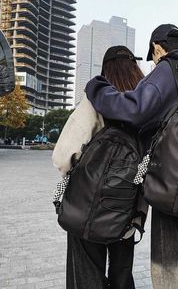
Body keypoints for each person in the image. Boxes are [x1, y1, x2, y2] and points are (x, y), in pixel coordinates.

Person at [85, 24, 178, 289]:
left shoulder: (168, 69)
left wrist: (98, 88)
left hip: (173, 186)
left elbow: (134, 108)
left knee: (170, 271)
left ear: (157, 48)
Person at [52, 45, 145, 289]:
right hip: (127, 209)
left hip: (88, 208)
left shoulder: (96, 100)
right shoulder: (145, 105)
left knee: (86, 276)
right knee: (122, 274)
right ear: (135, 67)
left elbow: (63, 156)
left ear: (105, 70)